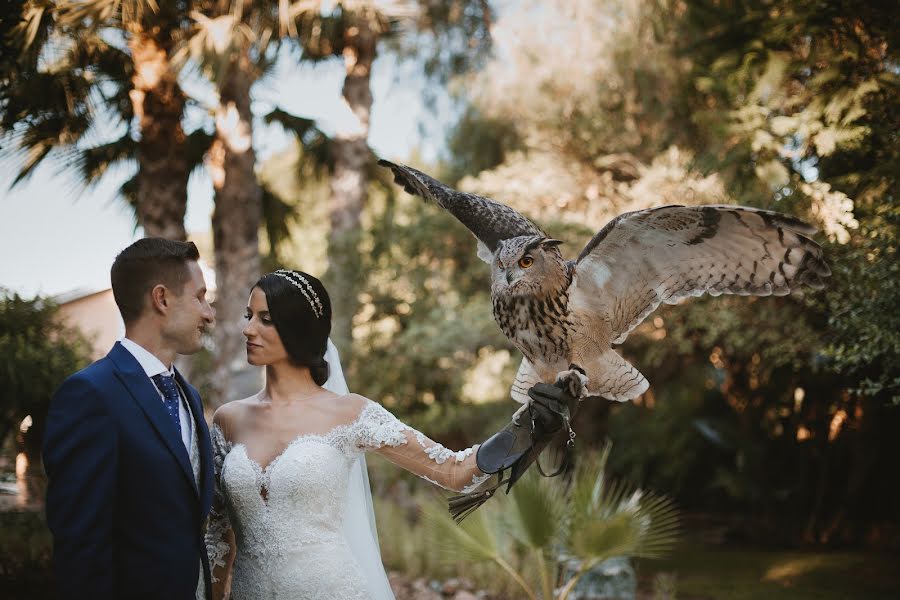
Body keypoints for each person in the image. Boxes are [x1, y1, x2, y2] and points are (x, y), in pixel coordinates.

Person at [205, 269, 562, 599]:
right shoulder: (228, 419)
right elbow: (219, 536)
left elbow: (452, 471)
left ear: (299, 328)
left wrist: (526, 425)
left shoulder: (350, 413)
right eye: (248, 316)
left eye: (266, 320)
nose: (249, 329)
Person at [43, 238, 216, 600]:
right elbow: (81, 548)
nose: (209, 313)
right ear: (162, 299)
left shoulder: (190, 397)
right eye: (199, 297)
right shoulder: (89, 396)